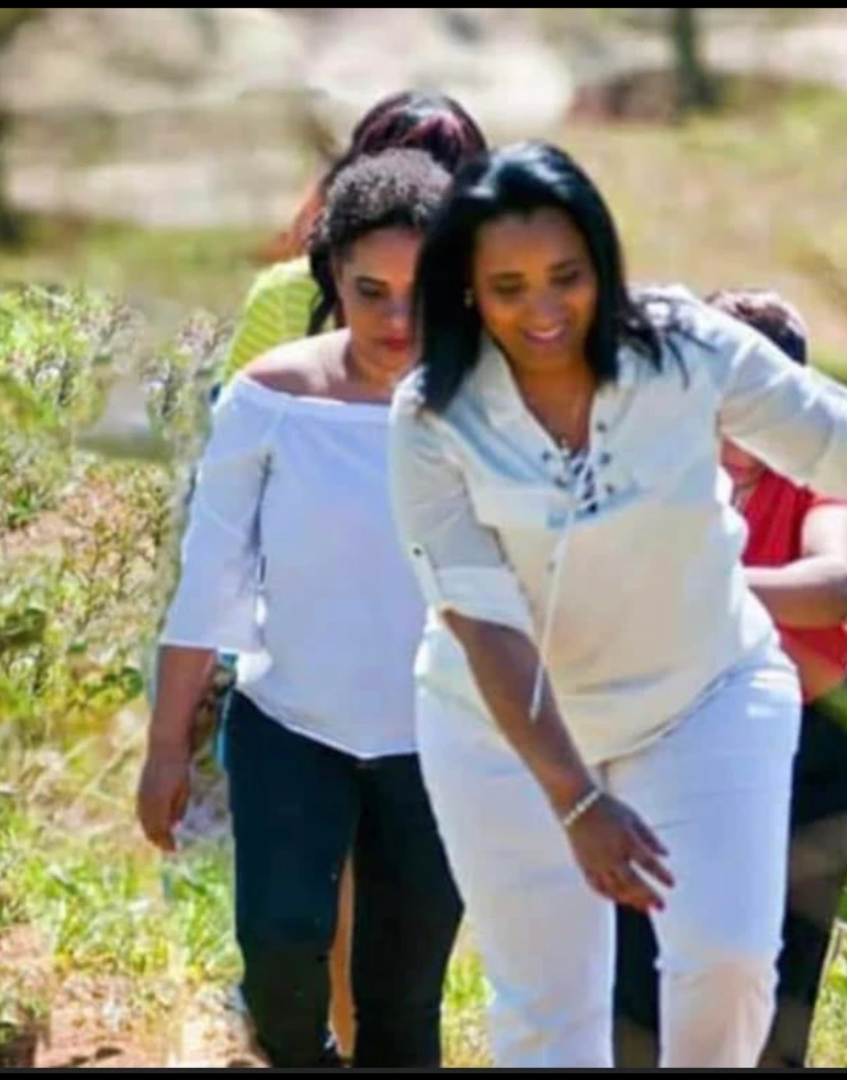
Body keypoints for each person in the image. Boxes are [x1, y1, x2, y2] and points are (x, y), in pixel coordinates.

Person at [387, 140, 847, 1068]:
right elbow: (484, 628)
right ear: (468, 289)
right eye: (509, 287)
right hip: (503, 725)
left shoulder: (686, 348)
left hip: (703, 695)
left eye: (567, 277)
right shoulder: (433, 415)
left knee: (729, 958)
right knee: (550, 1009)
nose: (544, 310)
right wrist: (577, 798)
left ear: (603, 262)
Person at [137, 149, 462, 1069]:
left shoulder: (497, 409)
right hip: (290, 727)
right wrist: (166, 745)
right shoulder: (271, 400)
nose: (396, 321)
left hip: (440, 744)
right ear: (331, 280)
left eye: (421, 294)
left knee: (404, 1002)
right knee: (280, 954)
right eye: (370, 292)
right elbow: (211, 577)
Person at [204, 89, 488, 1056]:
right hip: (305, 663)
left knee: (397, 951)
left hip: (436, 687)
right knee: (305, 915)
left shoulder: (492, 325)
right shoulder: (283, 305)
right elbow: (232, 484)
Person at [612, 289, 847, 1069]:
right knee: (638, 976)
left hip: (814, 739)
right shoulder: (649, 464)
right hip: (668, 732)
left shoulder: (825, 473)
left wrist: (689, 584)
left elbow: (836, 584)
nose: (740, 431)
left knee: (779, 987)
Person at [221, 90, 488, 380]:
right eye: (371, 291)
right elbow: (236, 403)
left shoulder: (497, 310)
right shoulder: (285, 299)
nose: (398, 321)